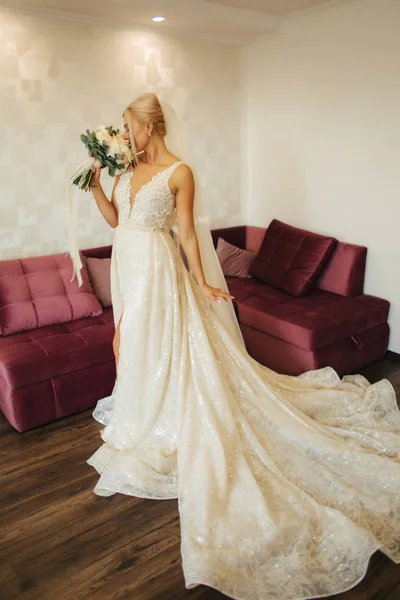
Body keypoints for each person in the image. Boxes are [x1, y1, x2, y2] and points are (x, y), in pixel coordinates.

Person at [81, 93, 400, 600]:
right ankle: (143, 407)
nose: (125, 135)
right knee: (130, 341)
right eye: (120, 127)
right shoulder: (123, 171)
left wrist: (205, 281)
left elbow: (185, 234)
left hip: (160, 271)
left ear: (150, 125)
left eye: (128, 126)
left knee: (158, 340)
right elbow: (117, 223)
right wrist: (98, 185)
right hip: (127, 265)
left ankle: (166, 412)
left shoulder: (180, 172)